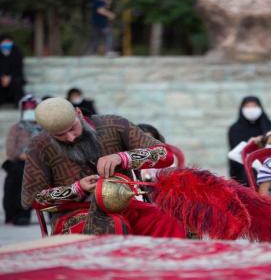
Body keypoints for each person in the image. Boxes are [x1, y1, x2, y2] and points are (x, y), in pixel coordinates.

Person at [21, 97, 185, 237]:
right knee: (112, 224)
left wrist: (123, 158)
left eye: (72, 128)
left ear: (79, 113)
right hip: (74, 213)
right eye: (60, 135)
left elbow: (166, 155)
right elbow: (31, 199)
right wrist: (76, 189)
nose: (70, 138)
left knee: (166, 220)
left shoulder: (115, 124)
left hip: (125, 205)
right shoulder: (39, 145)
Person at [2, 95, 41, 225]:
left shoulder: (44, 128)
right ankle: (21, 213)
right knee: (20, 175)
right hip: (21, 162)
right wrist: (22, 155)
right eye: (27, 108)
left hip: (40, 162)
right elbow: (11, 151)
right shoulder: (16, 128)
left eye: (33, 108)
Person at [228, 96, 271, 185]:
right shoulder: (235, 129)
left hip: (270, 167)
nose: (251, 109)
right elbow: (234, 155)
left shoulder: (269, 127)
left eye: (254, 106)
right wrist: (250, 144)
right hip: (243, 168)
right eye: (247, 106)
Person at [0, 34, 25, 107]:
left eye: (8, 41)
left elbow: (18, 68)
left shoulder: (17, 52)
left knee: (17, 82)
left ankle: (18, 103)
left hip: (14, 76)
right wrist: (2, 76)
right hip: (1, 76)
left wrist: (9, 77)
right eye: (4, 41)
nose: (6, 43)